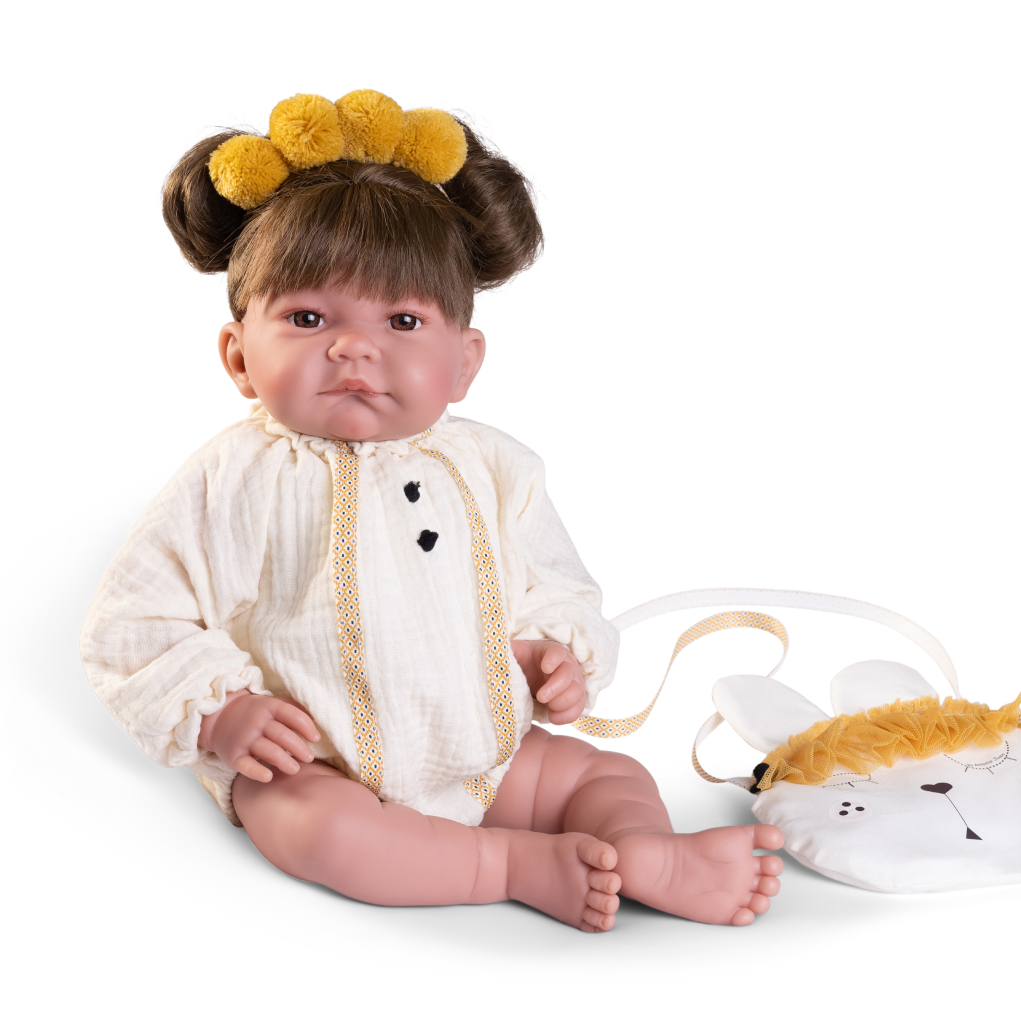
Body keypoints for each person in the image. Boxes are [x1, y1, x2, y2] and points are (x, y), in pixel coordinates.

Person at [81, 90, 783, 931]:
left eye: (403, 319)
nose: (353, 346)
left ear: (464, 363)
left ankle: (644, 849)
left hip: (483, 748)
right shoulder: (236, 476)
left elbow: (553, 583)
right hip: (320, 762)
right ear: (238, 355)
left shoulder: (495, 467)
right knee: (320, 831)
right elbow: (134, 621)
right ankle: (511, 865)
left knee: (605, 775)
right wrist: (225, 713)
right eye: (307, 317)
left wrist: (556, 652)